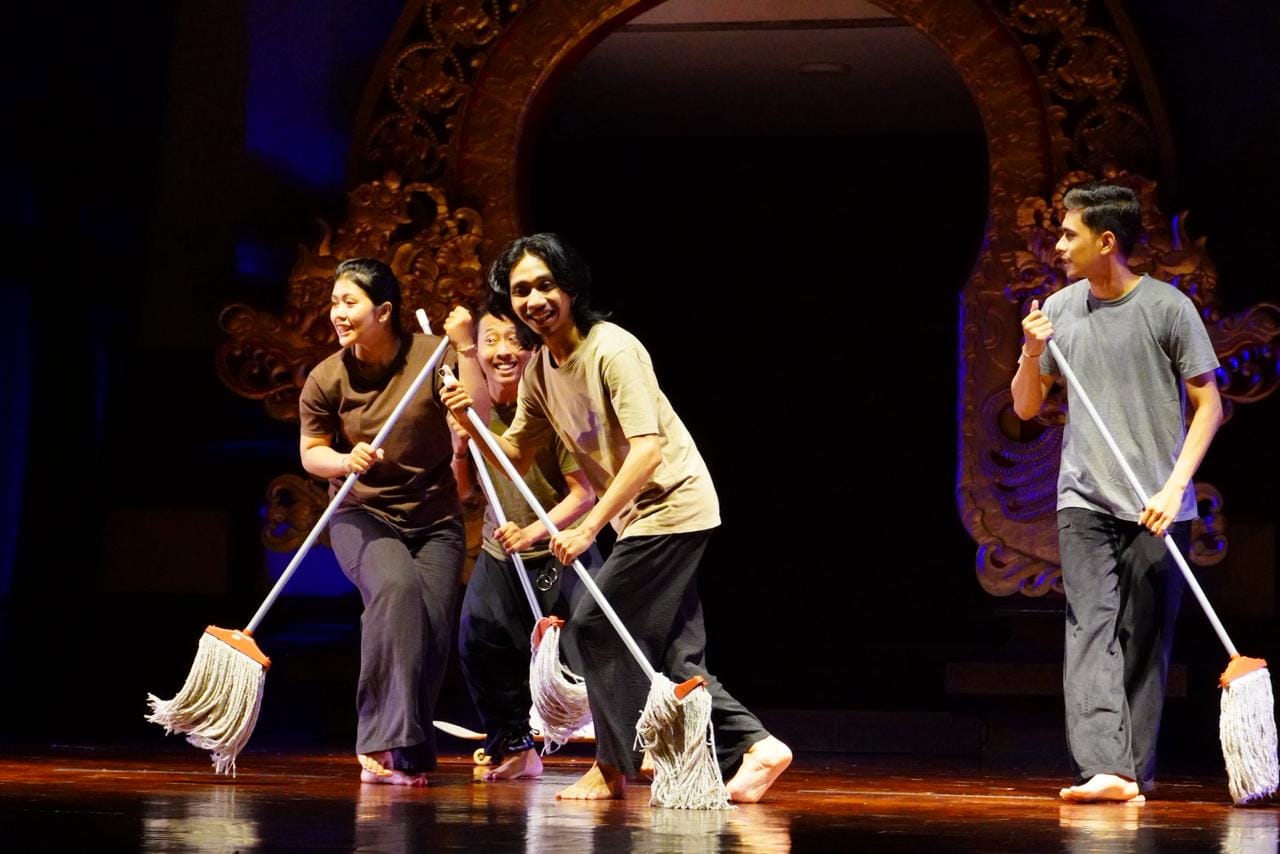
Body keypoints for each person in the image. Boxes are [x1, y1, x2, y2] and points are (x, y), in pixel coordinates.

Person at [441, 233, 792, 802]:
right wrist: (471, 423)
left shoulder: (613, 349)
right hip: (638, 516)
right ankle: (756, 747)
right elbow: (516, 455)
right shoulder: (539, 373)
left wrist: (585, 527)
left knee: (597, 630)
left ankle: (612, 766)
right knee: (670, 651)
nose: (534, 299)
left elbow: (647, 450)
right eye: (521, 290)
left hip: (671, 506)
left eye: (545, 285)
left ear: (570, 287)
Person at [1011, 182, 1223, 803]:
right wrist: (1030, 351)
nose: (1058, 245)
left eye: (1069, 234)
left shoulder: (1167, 308)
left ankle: (1131, 770)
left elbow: (1209, 405)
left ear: (1107, 242)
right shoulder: (1060, 308)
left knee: (1144, 636)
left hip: (1159, 503)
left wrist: (1174, 486)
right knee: (1090, 624)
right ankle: (1102, 766)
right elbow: (1028, 406)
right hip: (1084, 497)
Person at [299, 258, 465, 787]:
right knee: (394, 589)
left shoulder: (432, 354)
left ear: (385, 310)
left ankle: (411, 748)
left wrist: (463, 400)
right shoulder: (327, 377)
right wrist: (344, 462)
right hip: (362, 513)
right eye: (334, 302)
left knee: (434, 627)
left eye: (349, 302)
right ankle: (380, 742)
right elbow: (311, 452)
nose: (337, 313)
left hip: (435, 515)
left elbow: (475, 422)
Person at [444, 306, 601, 782]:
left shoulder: (548, 411)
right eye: (489, 341)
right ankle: (515, 745)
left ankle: (631, 748)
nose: (502, 352)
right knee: (480, 640)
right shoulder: (474, 414)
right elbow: (467, 493)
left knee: (595, 647)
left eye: (514, 340)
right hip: (502, 552)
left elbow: (584, 495)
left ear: (533, 349)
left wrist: (532, 532)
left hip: (559, 546)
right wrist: (457, 450)